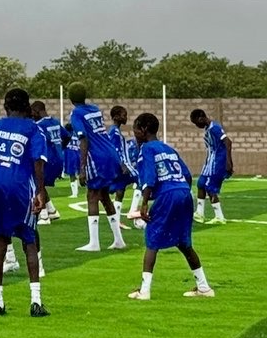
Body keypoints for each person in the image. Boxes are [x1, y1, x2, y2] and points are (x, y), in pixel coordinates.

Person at [0, 89, 50, 317]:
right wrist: (40, 191)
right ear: (27, 107)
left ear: (5, 107)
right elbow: (38, 161)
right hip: (20, 188)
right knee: (28, 241)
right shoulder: (33, 129)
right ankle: (35, 301)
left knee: (0, 243)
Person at [130, 112, 214, 300]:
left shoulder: (146, 149)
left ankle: (144, 291)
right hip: (184, 193)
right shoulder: (168, 149)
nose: (134, 133)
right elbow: (186, 175)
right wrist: (179, 192)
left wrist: (144, 203)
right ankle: (204, 287)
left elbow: (149, 177)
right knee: (184, 242)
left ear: (143, 130)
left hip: (169, 195)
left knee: (152, 240)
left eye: (135, 128)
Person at [68, 84, 126, 252]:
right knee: (105, 196)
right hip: (110, 152)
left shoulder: (76, 114)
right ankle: (118, 240)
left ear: (70, 98)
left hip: (97, 156)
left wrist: (83, 167)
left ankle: (94, 243)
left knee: (92, 196)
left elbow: (83, 139)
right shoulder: (95, 108)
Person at [189, 108, 232, 224]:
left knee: (209, 186)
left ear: (201, 118)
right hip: (210, 161)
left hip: (217, 162)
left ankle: (219, 217)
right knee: (201, 183)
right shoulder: (208, 129)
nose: (197, 126)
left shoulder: (215, 128)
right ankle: (199, 213)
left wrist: (229, 162)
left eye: (196, 123)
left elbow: (228, 142)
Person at [29, 102, 64, 221]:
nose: (31, 114)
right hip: (59, 160)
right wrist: (59, 149)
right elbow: (67, 136)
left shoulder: (39, 125)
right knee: (41, 183)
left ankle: (43, 215)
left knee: (37, 180)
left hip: (48, 160)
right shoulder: (55, 122)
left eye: (32, 111)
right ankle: (52, 211)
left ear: (37, 111)